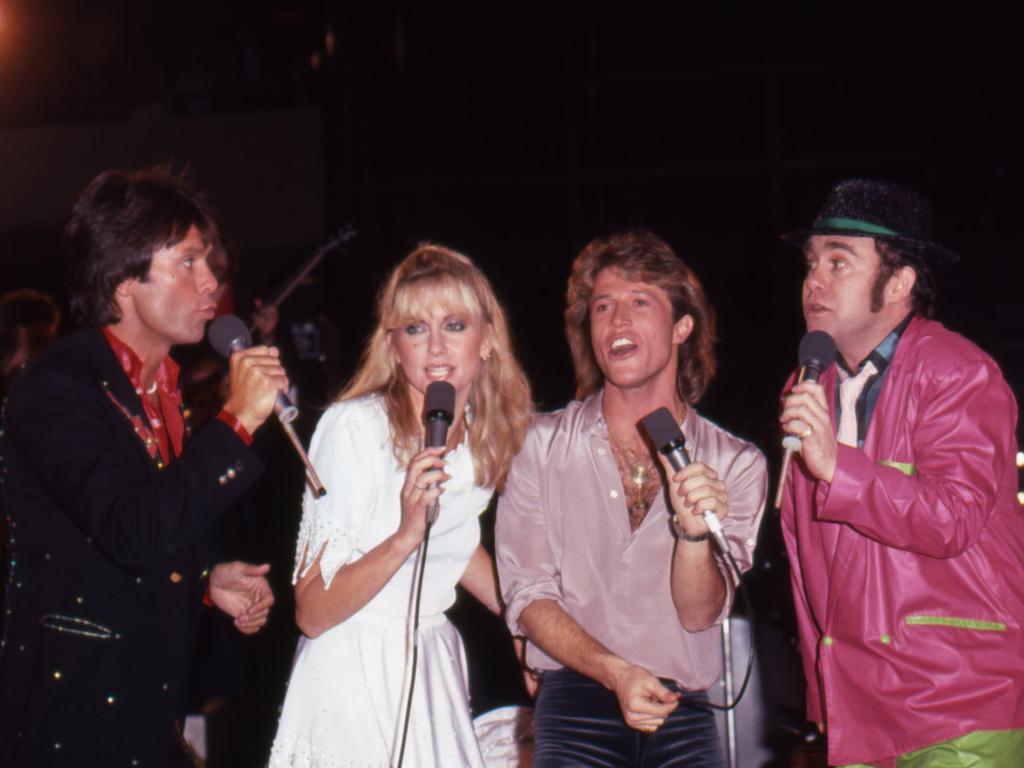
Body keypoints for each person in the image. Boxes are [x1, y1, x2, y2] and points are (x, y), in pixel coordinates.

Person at [0, 168, 288, 767]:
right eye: (188, 262)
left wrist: (203, 582)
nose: (211, 281)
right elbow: (130, 529)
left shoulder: (161, 389)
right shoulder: (56, 391)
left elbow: (140, 536)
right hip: (69, 733)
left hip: (145, 727)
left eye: (210, 263)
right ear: (124, 279)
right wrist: (236, 421)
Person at [496, 230, 767, 767]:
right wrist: (615, 673)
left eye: (639, 302)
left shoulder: (735, 462)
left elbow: (700, 614)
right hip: (574, 704)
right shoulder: (541, 446)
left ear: (682, 327)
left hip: (683, 711)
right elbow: (527, 595)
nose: (617, 321)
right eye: (602, 307)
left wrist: (693, 537)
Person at [778, 179, 1024, 767]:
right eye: (812, 262)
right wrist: (823, 684)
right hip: (858, 704)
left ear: (900, 282)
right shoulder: (807, 386)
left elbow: (953, 517)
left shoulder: (957, 371)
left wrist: (838, 466)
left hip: (957, 695)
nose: (814, 280)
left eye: (839, 261)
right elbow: (804, 551)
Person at [269, 244, 533, 767]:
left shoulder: (483, 428)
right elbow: (313, 612)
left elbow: (457, 542)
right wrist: (405, 535)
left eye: (454, 325)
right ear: (393, 346)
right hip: (352, 670)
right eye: (415, 329)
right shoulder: (355, 430)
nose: (435, 346)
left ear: (486, 340)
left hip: (431, 659)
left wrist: (527, 624)